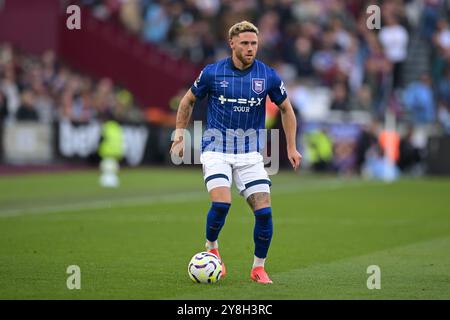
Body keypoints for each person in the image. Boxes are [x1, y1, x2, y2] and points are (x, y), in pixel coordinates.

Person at [170, 21, 302, 284]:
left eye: (254, 43)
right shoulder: (212, 73)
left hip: (250, 153)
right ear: (232, 43)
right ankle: (212, 246)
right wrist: (179, 136)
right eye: (244, 43)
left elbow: (287, 109)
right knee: (222, 203)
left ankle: (259, 268)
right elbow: (187, 101)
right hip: (216, 148)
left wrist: (291, 147)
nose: (250, 48)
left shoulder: (268, 76)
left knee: (264, 211)